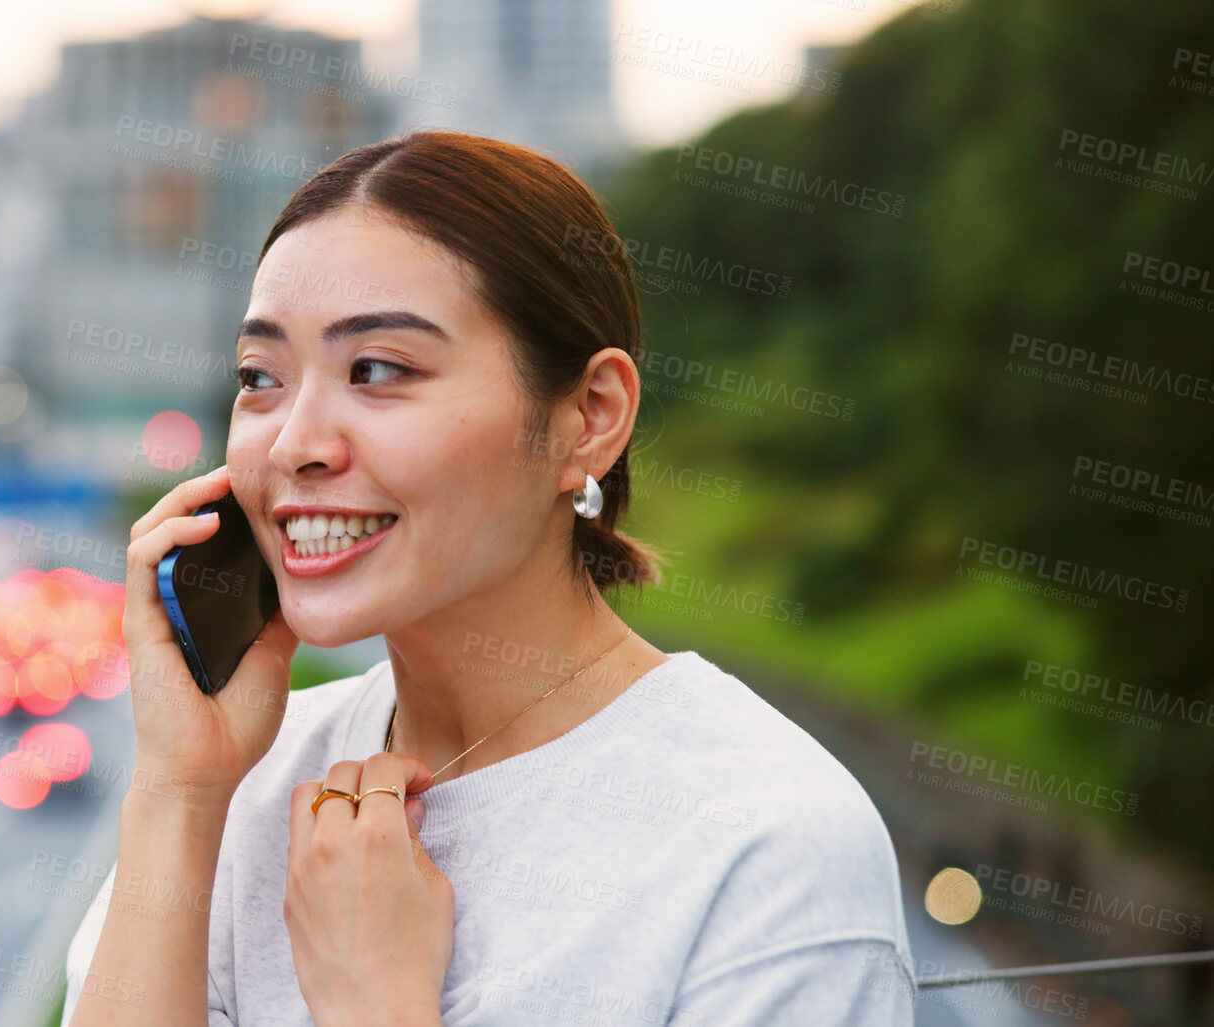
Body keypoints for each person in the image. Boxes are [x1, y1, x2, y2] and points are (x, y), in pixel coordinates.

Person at [61, 129, 916, 1026]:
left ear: (590, 416)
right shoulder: (240, 786)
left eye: (379, 369)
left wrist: (376, 1007)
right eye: (259, 376)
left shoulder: (765, 842)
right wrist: (178, 790)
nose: (296, 444)